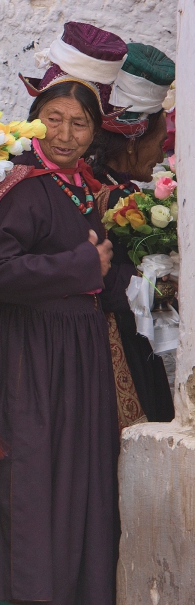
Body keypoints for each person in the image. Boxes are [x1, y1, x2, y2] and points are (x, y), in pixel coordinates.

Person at [0, 22, 129, 605]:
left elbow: (99, 279)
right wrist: (83, 262)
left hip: (71, 372)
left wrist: (108, 259)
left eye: (80, 123)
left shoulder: (82, 188)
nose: (65, 133)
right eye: (53, 118)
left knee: (67, 492)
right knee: (24, 492)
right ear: (33, 120)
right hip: (25, 368)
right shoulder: (19, 186)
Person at [85, 42, 176, 427]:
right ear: (135, 141)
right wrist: (161, 286)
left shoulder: (98, 186)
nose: (158, 155)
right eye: (157, 143)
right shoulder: (117, 199)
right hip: (111, 347)